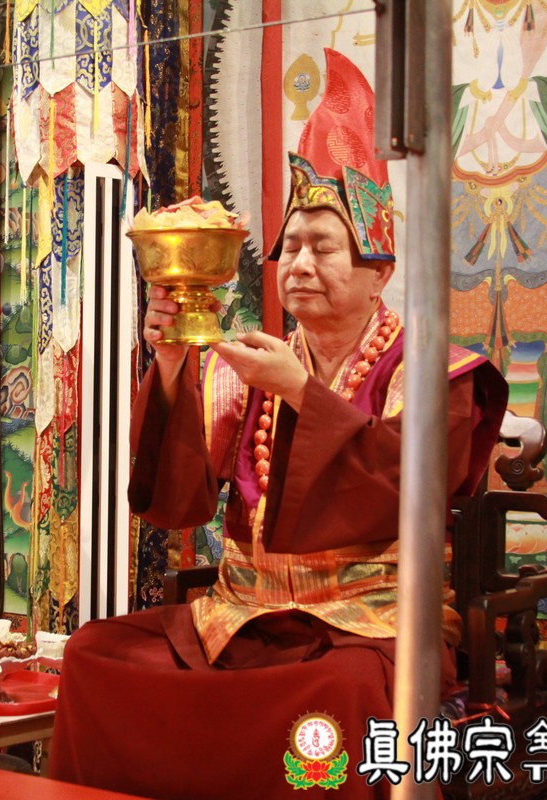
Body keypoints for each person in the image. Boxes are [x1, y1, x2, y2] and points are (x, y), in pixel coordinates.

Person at [47, 50, 509, 800]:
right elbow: (179, 501)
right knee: (94, 652)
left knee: (340, 693)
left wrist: (304, 395)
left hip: (368, 623)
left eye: (323, 248)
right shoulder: (247, 365)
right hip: (245, 613)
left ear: (379, 270)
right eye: (289, 247)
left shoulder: (437, 372)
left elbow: (406, 493)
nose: (298, 264)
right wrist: (171, 363)